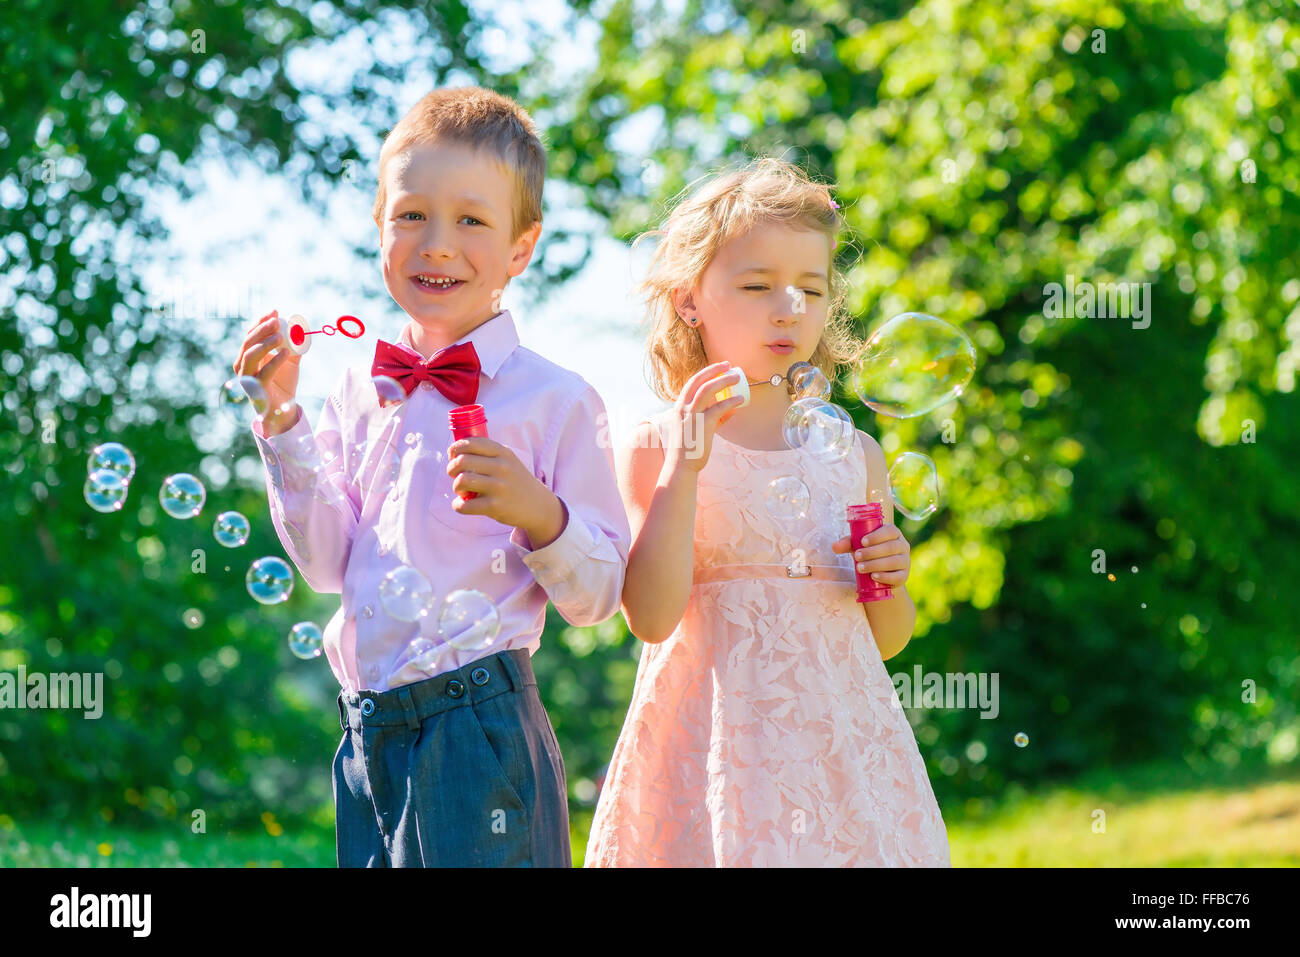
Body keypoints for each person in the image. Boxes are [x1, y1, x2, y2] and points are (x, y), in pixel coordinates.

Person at [232, 86, 630, 867]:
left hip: (477, 726)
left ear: (520, 249)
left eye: (471, 220)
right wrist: (282, 422)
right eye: (411, 214)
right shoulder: (356, 390)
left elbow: (599, 594)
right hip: (365, 731)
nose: (437, 243)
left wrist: (541, 513)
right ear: (380, 227)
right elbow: (322, 563)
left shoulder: (557, 400)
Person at [584, 158, 950, 866]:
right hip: (718, 750)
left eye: (810, 290)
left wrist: (892, 578)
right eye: (756, 286)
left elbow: (889, 636)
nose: (788, 308)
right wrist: (685, 466)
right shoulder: (658, 443)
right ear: (691, 298)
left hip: (840, 745)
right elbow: (652, 617)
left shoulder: (854, 453)